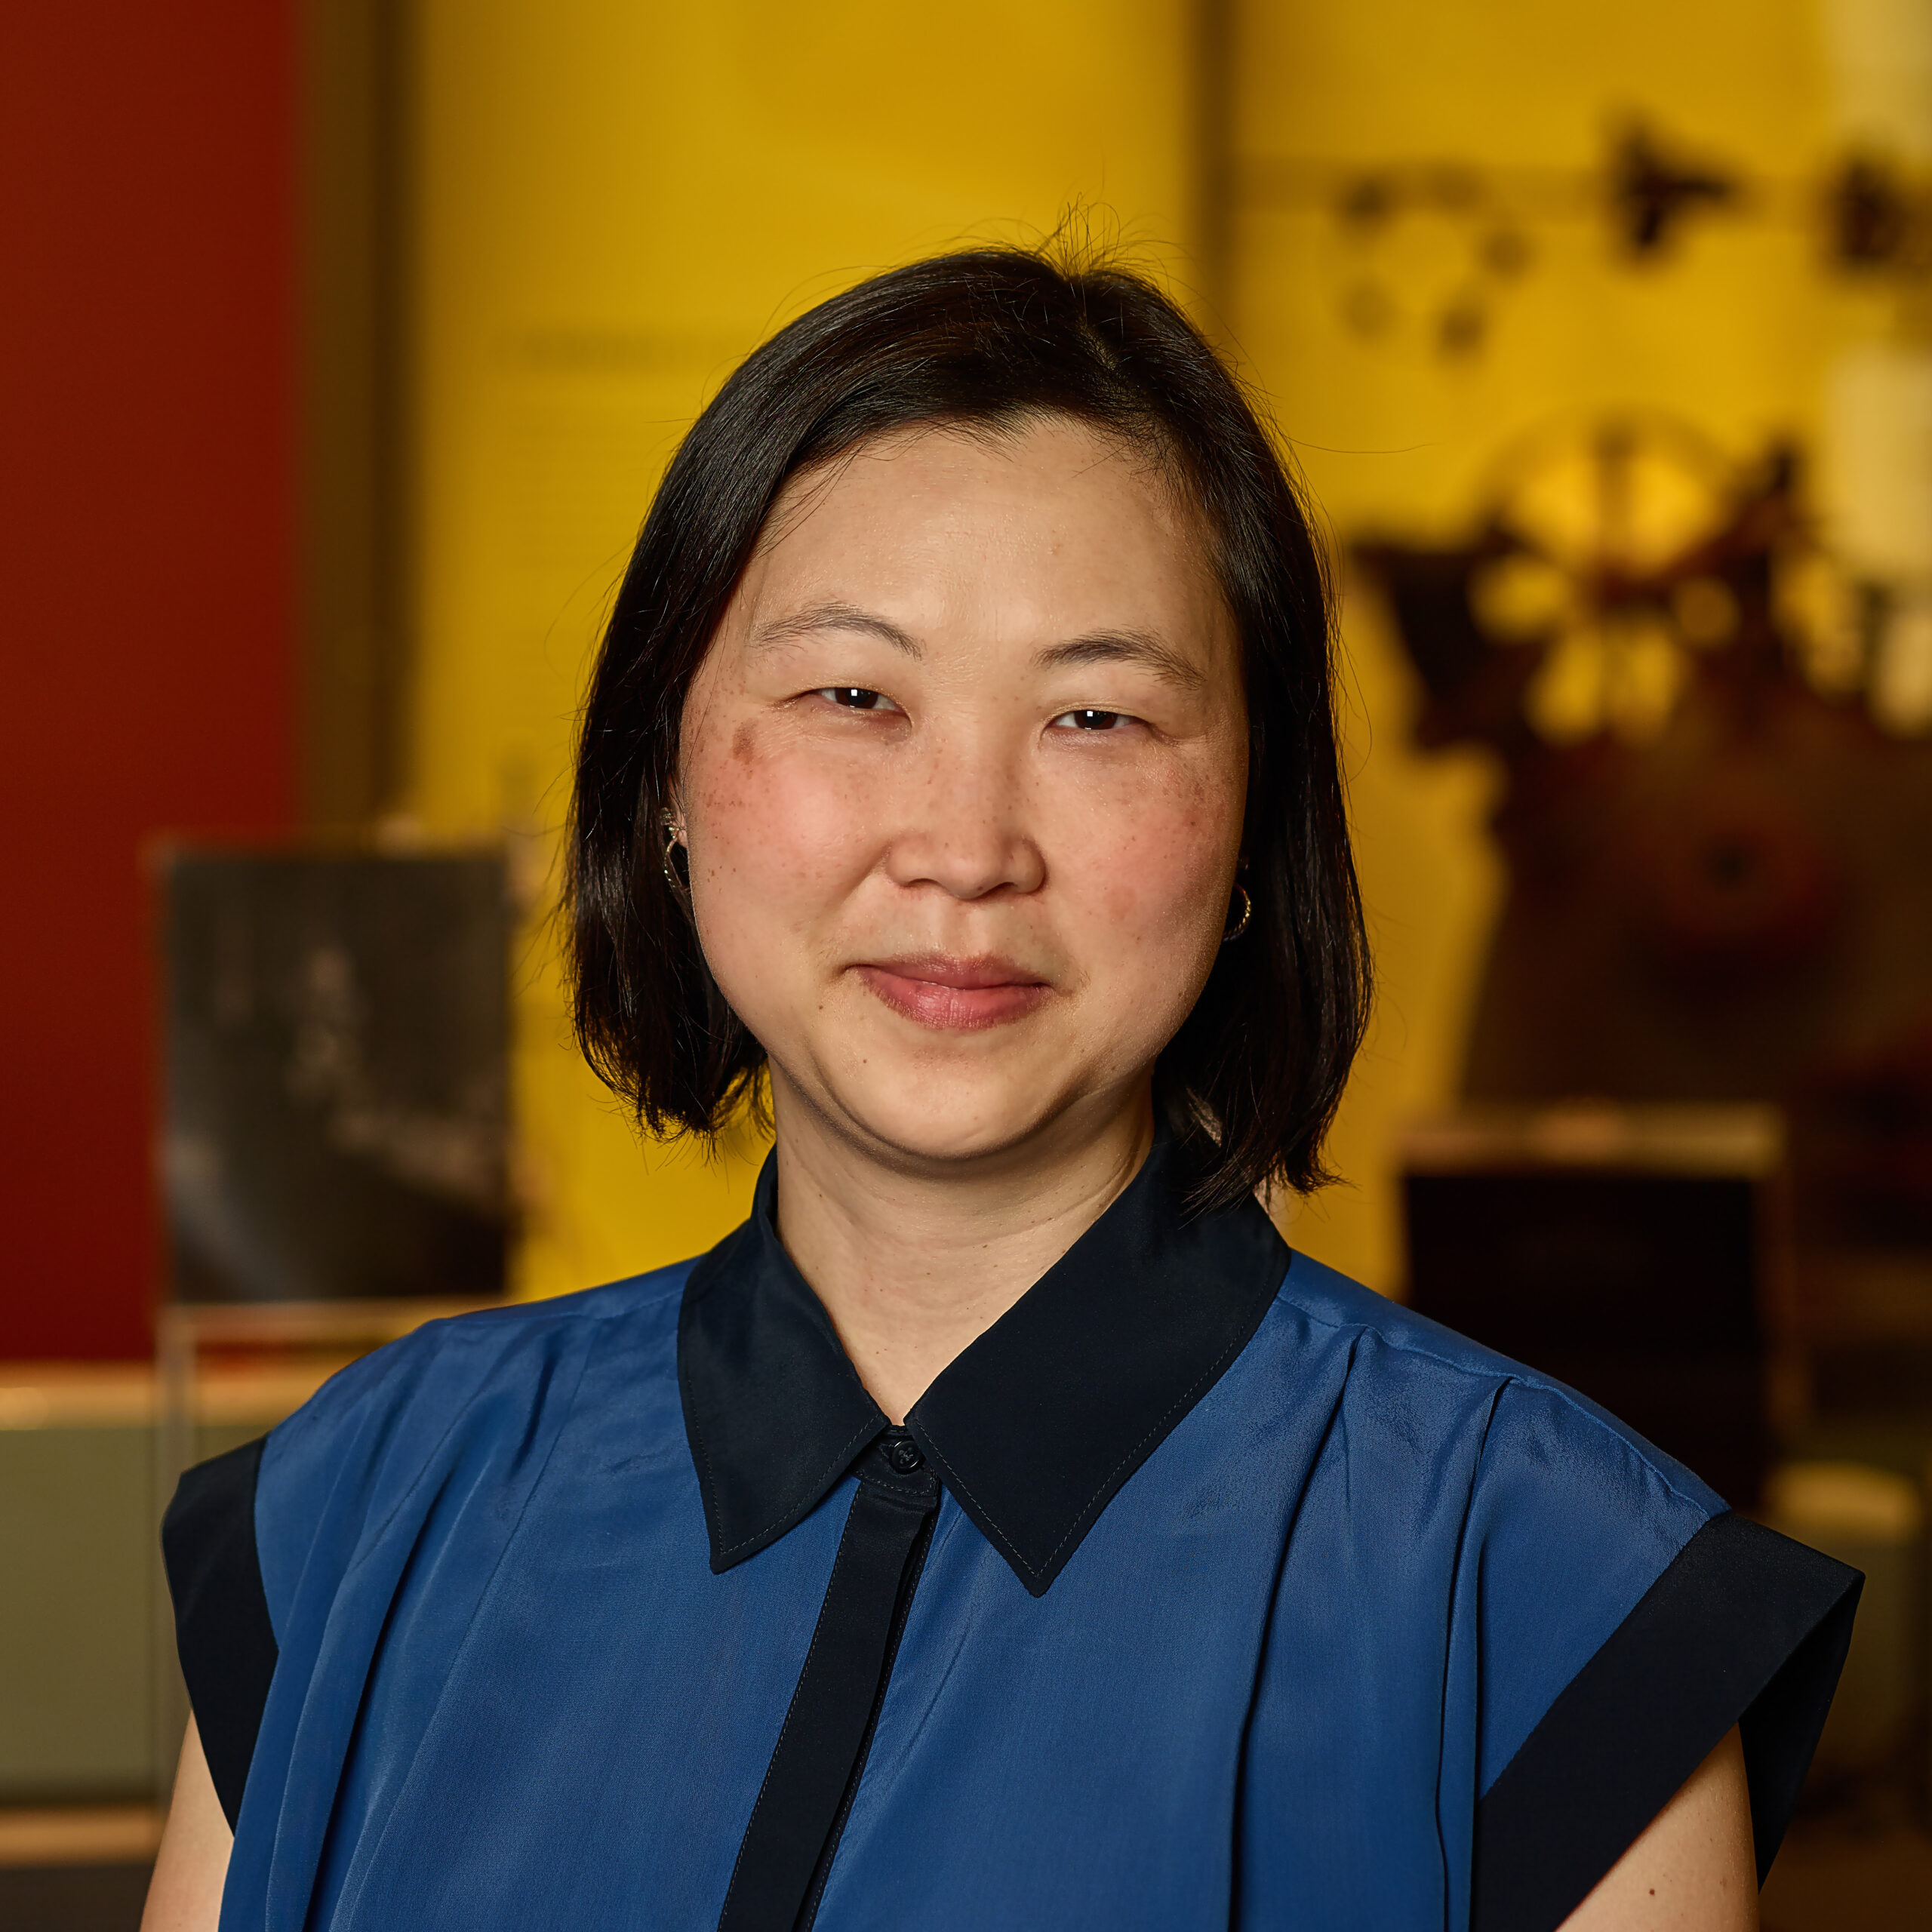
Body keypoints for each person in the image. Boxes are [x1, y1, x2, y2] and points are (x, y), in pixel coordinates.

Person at [146, 247, 1857, 1932]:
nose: (964, 850)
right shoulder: (360, 1512)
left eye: (1097, 715)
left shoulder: (1546, 1591)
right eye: (850, 693)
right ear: (662, 772)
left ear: (1254, 819)